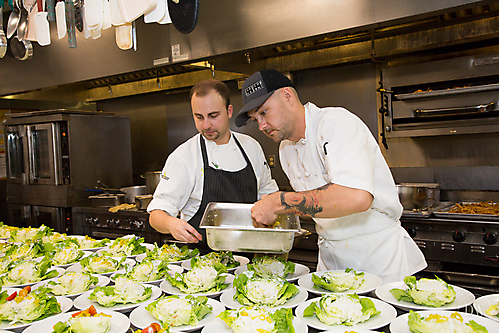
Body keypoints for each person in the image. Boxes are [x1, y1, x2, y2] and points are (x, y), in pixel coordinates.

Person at [234, 69, 427, 283]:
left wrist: (280, 202)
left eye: (264, 113)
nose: (261, 125)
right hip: (330, 261)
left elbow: (357, 197)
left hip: (378, 261)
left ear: (287, 96)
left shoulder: (336, 123)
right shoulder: (285, 150)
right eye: (255, 119)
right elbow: (319, 204)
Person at [148, 79, 279, 254]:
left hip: (250, 260)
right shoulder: (184, 157)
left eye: (213, 115)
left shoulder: (251, 147)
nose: (206, 125)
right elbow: (156, 215)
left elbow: (267, 195)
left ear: (229, 111)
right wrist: (172, 224)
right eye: (199, 117)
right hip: (202, 265)